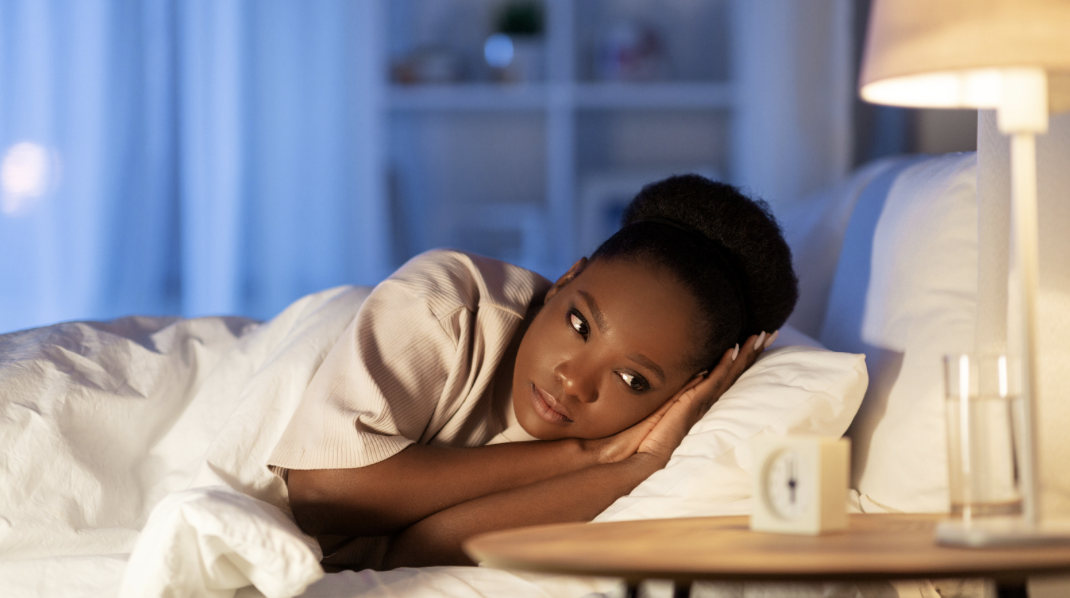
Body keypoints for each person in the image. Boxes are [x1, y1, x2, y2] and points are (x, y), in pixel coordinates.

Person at [268, 174, 799, 570]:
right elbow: (322, 493)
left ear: (686, 394)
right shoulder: (447, 303)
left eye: (633, 380)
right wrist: (580, 457)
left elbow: (412, 555)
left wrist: (635, 469)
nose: (574, 380)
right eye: (579, 323)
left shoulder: (624, 445)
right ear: (568, 276)